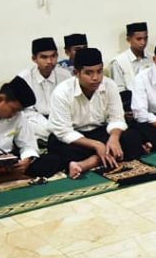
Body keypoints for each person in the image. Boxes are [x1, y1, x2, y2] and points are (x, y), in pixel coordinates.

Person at [48, 47, 144, 178]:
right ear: (76, 73)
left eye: (99, 71)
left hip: (100, 132)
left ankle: (86, 164)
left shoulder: (109, 85)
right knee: (57, 149)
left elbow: (117, 118)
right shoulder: (62, 92)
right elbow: (64, 132)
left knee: (132, 137)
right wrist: (97, 145)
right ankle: (107, 156)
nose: (96, 78)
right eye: (89, 73)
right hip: (77, 138)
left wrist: (114, 138)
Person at [17, 37, 72, 142]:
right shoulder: (23, 78)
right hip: (36, 122)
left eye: (53, 56)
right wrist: (49, 127)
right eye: (44, 57)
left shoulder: (65, 76)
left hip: (61, 119)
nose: (50, 61)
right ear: (34, 59)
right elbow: (27, 112)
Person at [110, 21, 151, 94]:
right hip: (130, 99)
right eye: (139, 39)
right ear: (128, 39)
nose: (143, 42)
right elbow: (119, 89)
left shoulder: (152, 59)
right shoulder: (118, 62)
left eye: (145, 38)